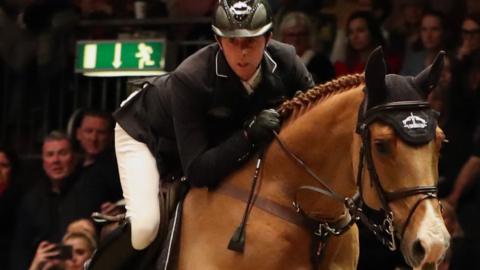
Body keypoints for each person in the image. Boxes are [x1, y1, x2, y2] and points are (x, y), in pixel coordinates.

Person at [102, 0, 314, 263]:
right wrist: (247, 136)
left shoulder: (288, 62)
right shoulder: (191, 78)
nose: (242, 52)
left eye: (251, 41)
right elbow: (198, 172)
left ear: (269, 38)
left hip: (212, 139)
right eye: (232, 42)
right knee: (145, 228)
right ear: (218, 40)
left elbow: (312, 121)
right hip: (146, 133)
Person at [9, 131, 84, 270]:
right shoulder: (31, 200)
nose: (56, 160)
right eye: (50, 154)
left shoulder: (88, 193)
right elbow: (20, 248)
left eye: (62, 153)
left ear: (73, 158)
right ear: (43, 162)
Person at [277, 11, 335, 83]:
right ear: (283, 37)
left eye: (301, 34)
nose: (296, 39)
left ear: (309, 36)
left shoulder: (321, 63)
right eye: (291, 35)